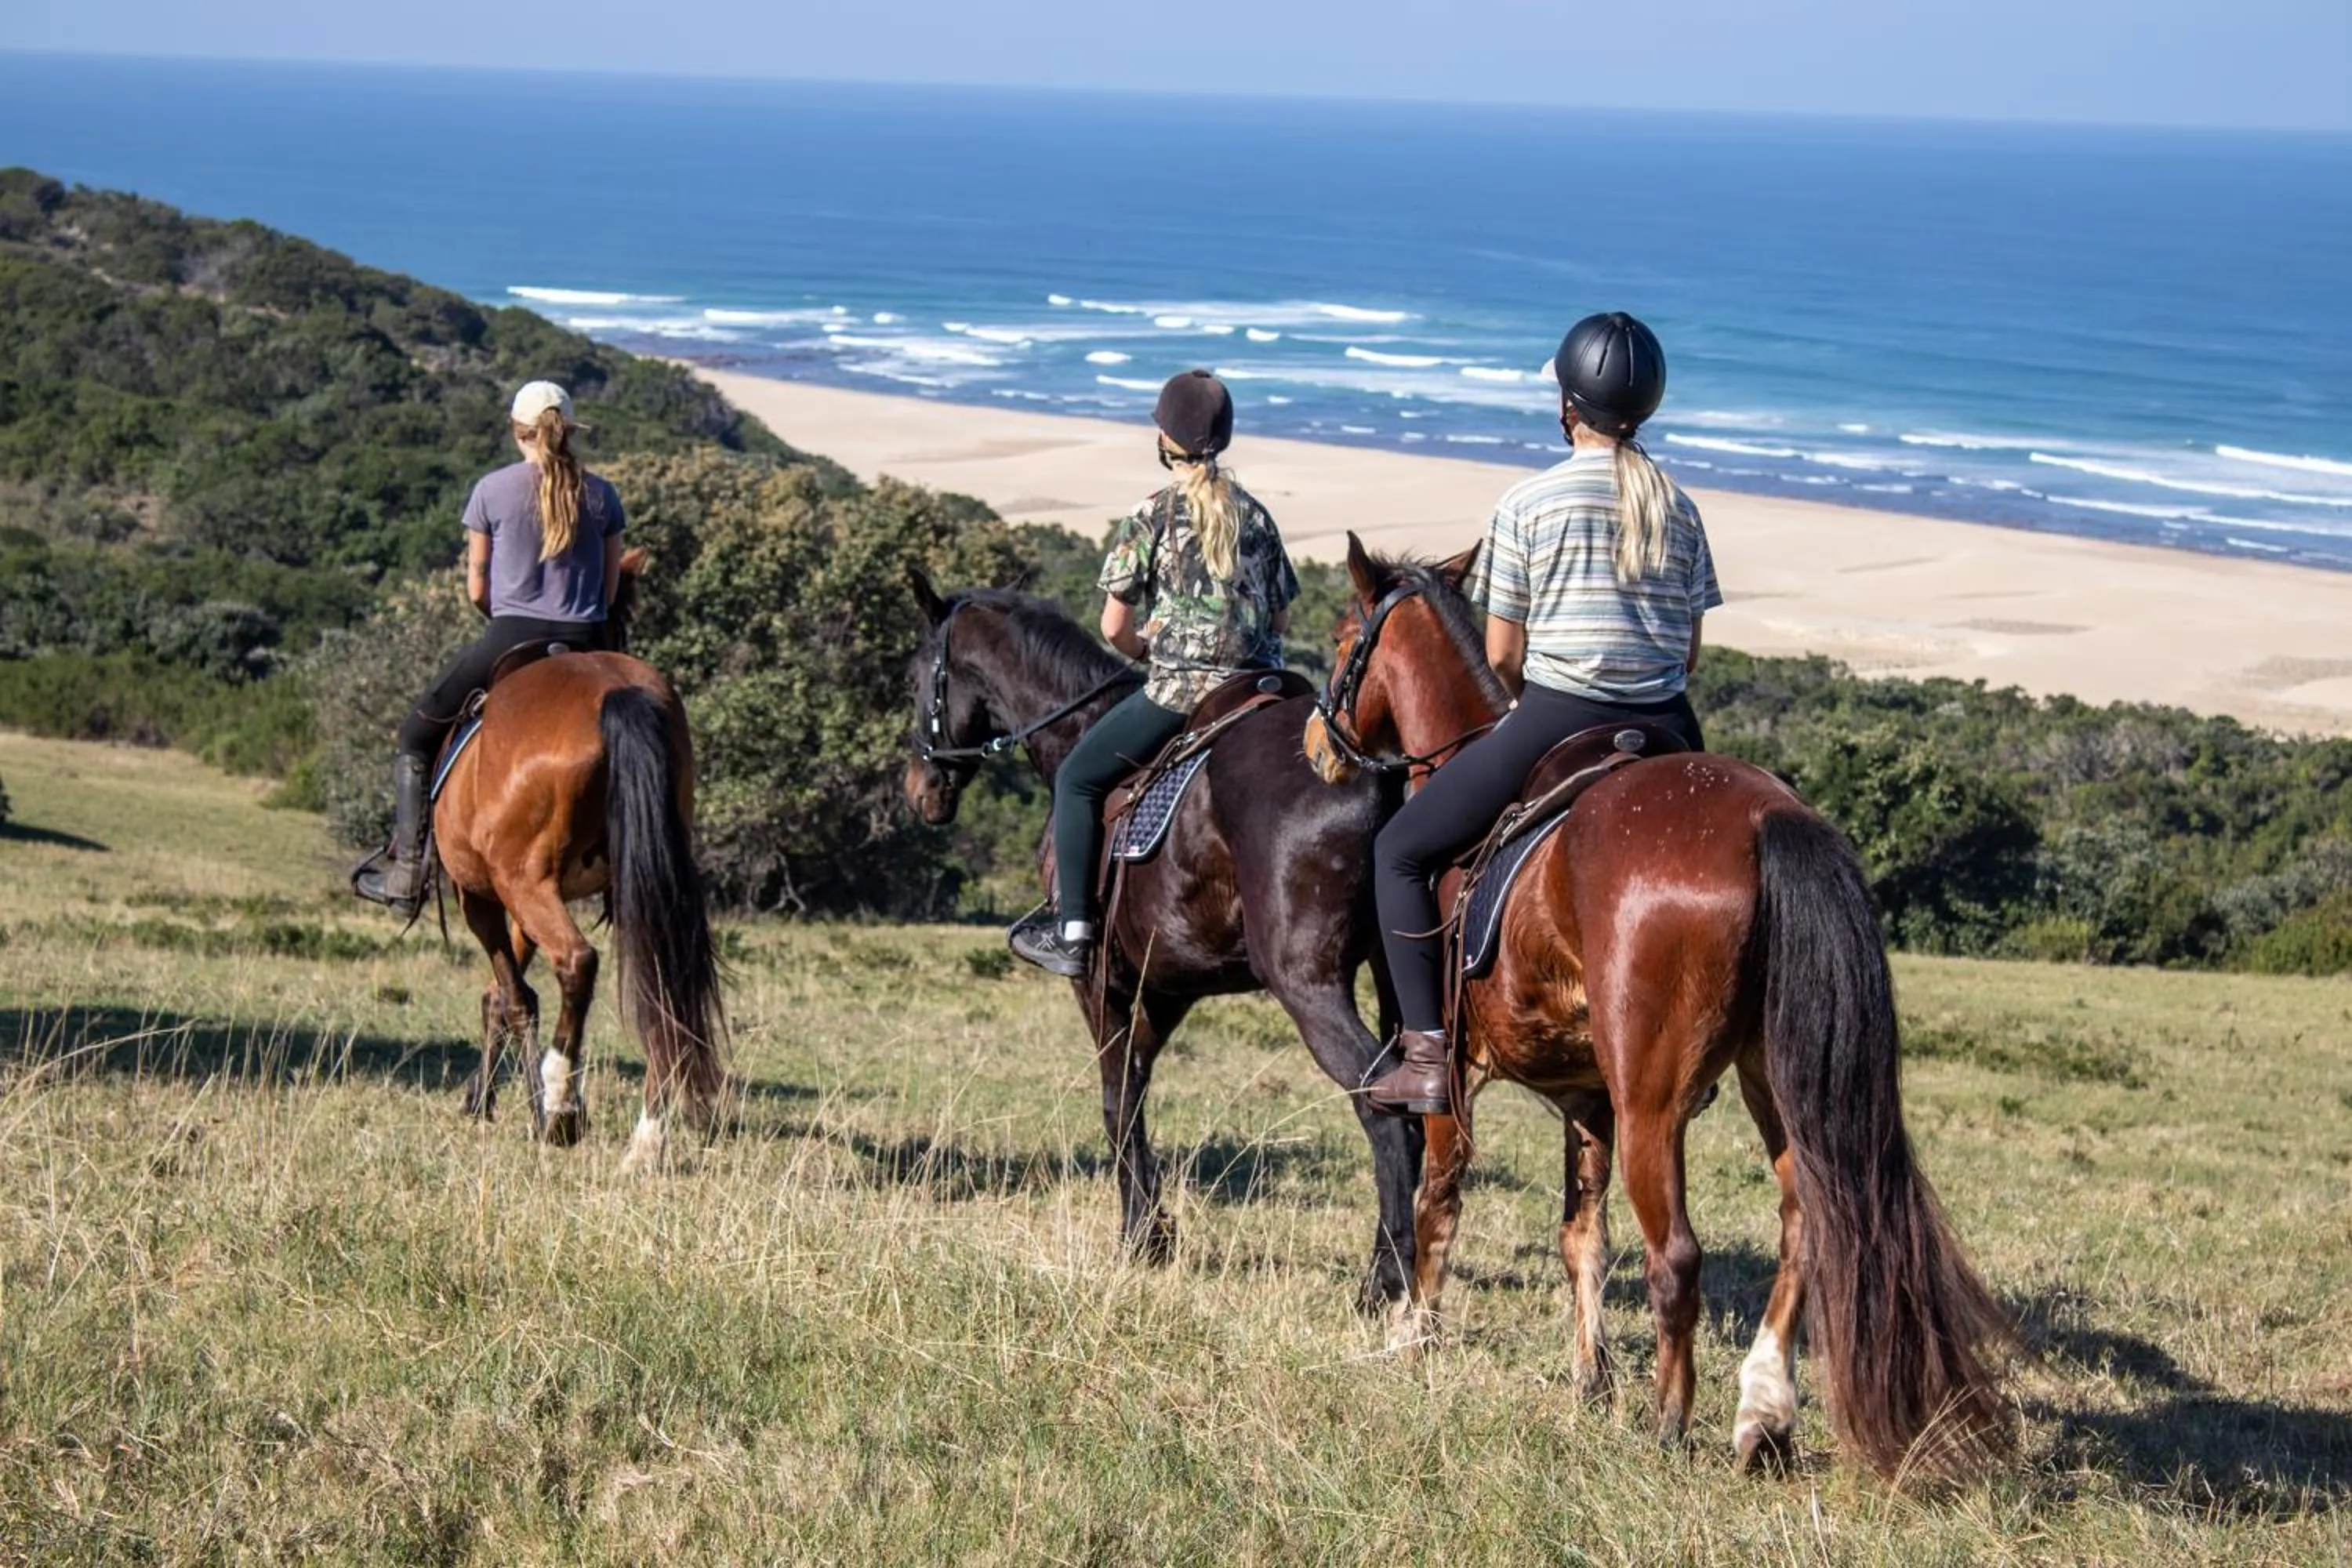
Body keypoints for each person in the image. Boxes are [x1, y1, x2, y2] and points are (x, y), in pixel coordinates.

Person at [1364, 311, 1720, 1114]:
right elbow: (1690, 654)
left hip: (1558, 713)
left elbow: (1501, 655)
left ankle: (1426, 1054)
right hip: (1669, 724)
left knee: (1399, 851)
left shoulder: (1528, 502)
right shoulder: (1682, 507)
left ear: (1567, 405)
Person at [1008, 368, 1300, 978]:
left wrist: (1150, 649)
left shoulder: (1151, 514)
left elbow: (1114, 628)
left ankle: (1075, 932)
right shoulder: (1257, 516)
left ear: (1166, 438)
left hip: (1183, 689)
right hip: (1261, 689)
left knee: (1079, 782)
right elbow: (1281, 619)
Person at [350, 380, 628, 916]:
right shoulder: (604, 496)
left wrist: (509, 623)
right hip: (591, 645)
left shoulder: (492, 491)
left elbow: (478, 590)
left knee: (415, 736)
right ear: (569, 431)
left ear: (516, 430)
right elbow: (611, 594)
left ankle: (408, 873)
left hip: (511, 635)